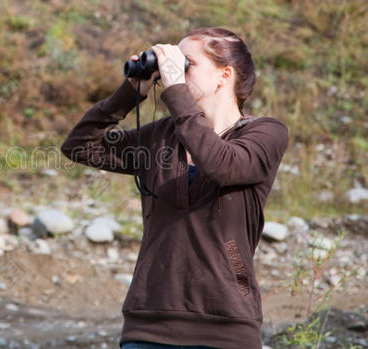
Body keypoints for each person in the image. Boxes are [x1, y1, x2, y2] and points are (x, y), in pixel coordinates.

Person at [60, 27, 289, 349]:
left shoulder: (264, 134)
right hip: (148, 324)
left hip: (225, 324)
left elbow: (222, 165)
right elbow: (80, 146)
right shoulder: (161, 137)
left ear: (224, 76)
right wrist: (130, 92)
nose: (173, 72)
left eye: (187, 63)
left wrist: (176, 90)